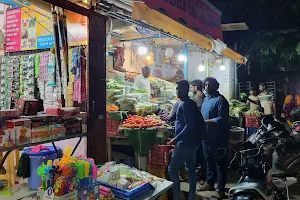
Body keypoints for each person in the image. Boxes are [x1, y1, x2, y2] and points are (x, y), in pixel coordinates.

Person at [168, 80, 206, 200]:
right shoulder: (188, 102)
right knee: (190, 169)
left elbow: (190, 125)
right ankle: (192, 195)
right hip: (192, 142)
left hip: (185, 143)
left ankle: (176, 197)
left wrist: (176, 138)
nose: (177, 91)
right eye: (176, 88)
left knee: (172, 169)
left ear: (186, 90)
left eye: (179, 88)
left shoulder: (185, 104)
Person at [199, 77, 230, 199]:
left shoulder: (221, 100)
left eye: (209, 85)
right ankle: (209, 183)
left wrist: (205, 122)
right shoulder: (206, 100)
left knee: (220, 163)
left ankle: (220, 189)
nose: (206, 87)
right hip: (206, 136)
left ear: (216, 86)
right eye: (205, 84)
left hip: (218, 137)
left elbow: (222, 119)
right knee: (209, 162)